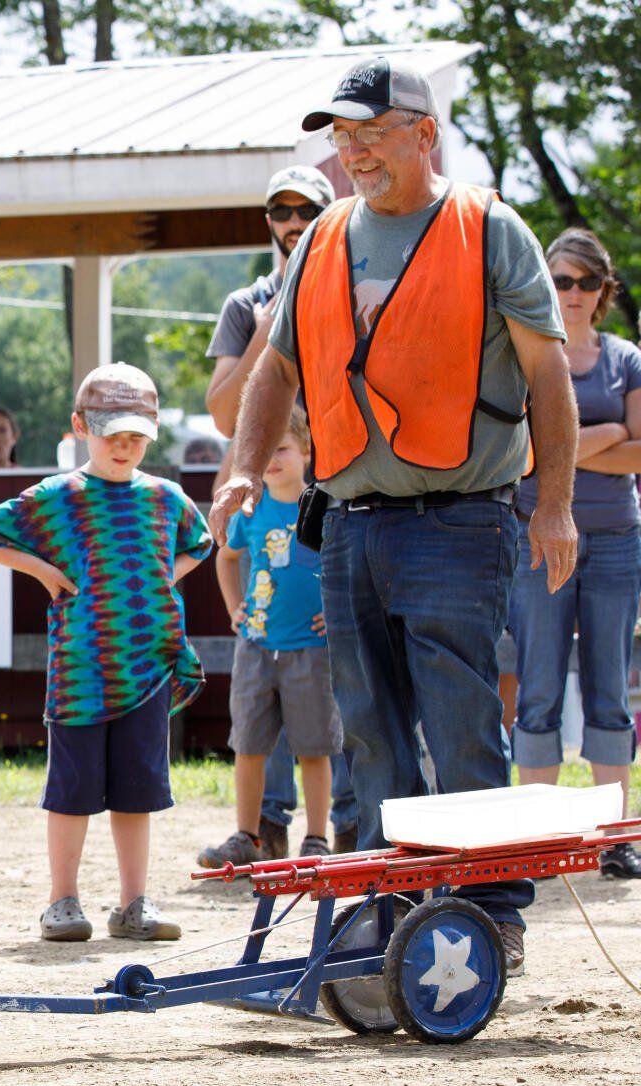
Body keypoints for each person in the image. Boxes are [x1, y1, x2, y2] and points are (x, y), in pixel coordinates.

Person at [212, 56, 579, 978]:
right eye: (342, 137)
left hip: (463, 519)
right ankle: (390, 906)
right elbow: (275, 371)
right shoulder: (324, 239)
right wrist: (244, 467)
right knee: (364, 723)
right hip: (349, 521)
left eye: (369, 133)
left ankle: (491, 913)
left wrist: (559, 506)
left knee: (460, 719)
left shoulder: (490, 229)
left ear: (425, 132)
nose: (353, 152)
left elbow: (547, 376)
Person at [0, 363, 211, 943]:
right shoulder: (60, 496)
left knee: (138, 793)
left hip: (148, 669)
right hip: (80, 673)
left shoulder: (164, 497)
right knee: (71, 793)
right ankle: (62, 901)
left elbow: (201, 542)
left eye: (136, 437)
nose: (124, 447)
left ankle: (133, 904)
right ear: (80, 426)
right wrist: (44, 570)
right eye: (111, 434)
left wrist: (162, 579)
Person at [203, 163, 356, 858]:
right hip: (265, 483)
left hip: (343, 482)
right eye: (281, 213)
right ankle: (261, 828)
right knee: (262, 701)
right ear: (268, 221)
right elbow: (222, 409)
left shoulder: (353, 285)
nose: (293, 225)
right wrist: (271, 327)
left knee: (335, 687)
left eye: (307, 212)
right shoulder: (247, 303)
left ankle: (345, 826)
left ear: (329, 215)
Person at [508, 228, 641, 880]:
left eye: (587, 282)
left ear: (604, 292)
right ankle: (540, 837)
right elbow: (524, 456)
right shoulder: (527, 356)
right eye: (562, 280)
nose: (574, 293)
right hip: (536, 539)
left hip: (616, 538)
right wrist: (610, 431)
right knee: (537, 687)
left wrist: (563, 441)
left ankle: (616, 838)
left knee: (609, 688)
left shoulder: (627, 359)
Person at [201, 414, 342, 869]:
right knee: (249, 745)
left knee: (315, 747)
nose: (273, 460)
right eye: (263, 452)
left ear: (306, 451)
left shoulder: (323, 506)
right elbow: (226, 558)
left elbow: (342, 566)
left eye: (282, 449)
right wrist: (233, 608)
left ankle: (317, 837)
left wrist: (334, 614)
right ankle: (248, 835)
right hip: (257, 646)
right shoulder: (251, 510)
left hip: (311, 650)